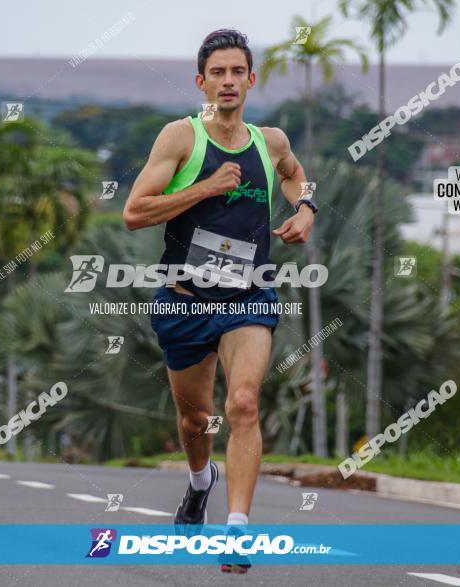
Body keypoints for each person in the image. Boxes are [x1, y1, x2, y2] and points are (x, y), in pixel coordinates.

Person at [123, 29, 316, 573]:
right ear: (201, 81)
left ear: (251, 80)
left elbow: (296, 176)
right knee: (195, 422)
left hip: (249, 296)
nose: (228, 81)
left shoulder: (269, 141)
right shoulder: (180, 139)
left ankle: (237, 531)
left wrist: (306, 211)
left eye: (238, 72)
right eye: (218, 73)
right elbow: (135, 212)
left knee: (244, 404)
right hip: (184, 301)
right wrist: (205, 188)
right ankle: (198, 481)